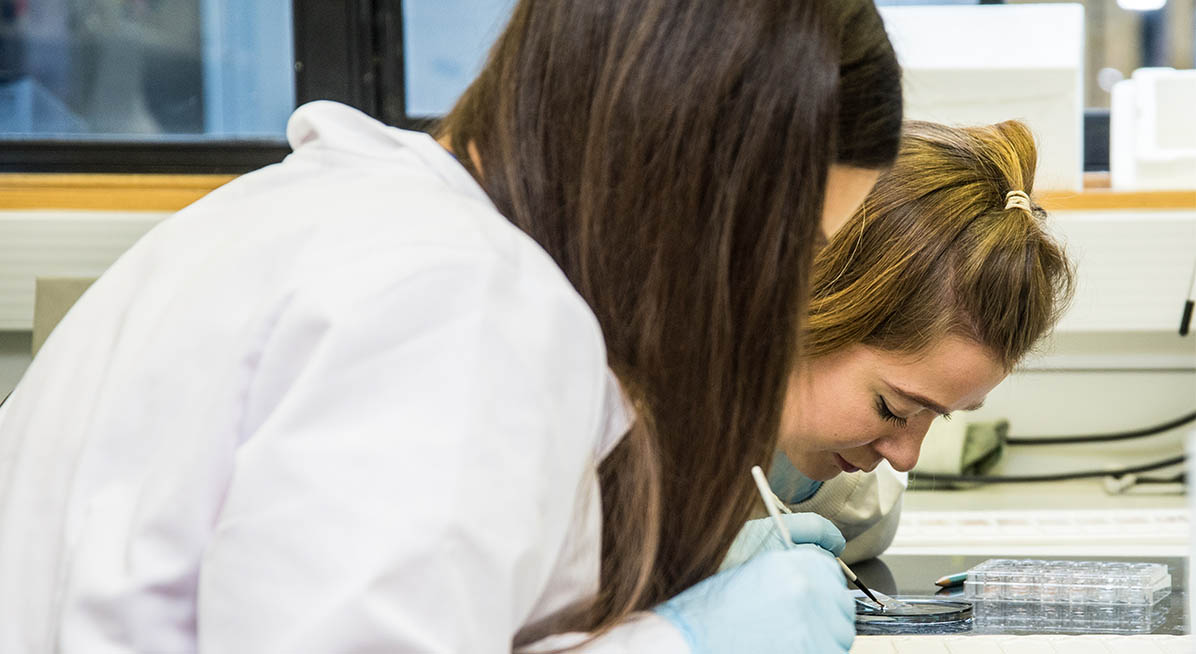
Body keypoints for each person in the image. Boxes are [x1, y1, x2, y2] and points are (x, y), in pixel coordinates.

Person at [0, 2, 902, 653]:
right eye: (789, 248)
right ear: (693, 172)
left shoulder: (359, 218)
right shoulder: (458, 307)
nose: (780, 299)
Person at [723, 120, 1076, 570]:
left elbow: (869, 520)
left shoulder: (827, 459)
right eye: (894, 408)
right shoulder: (621, 391)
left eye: (937, 413)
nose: (906, 460)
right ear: (800, 309)